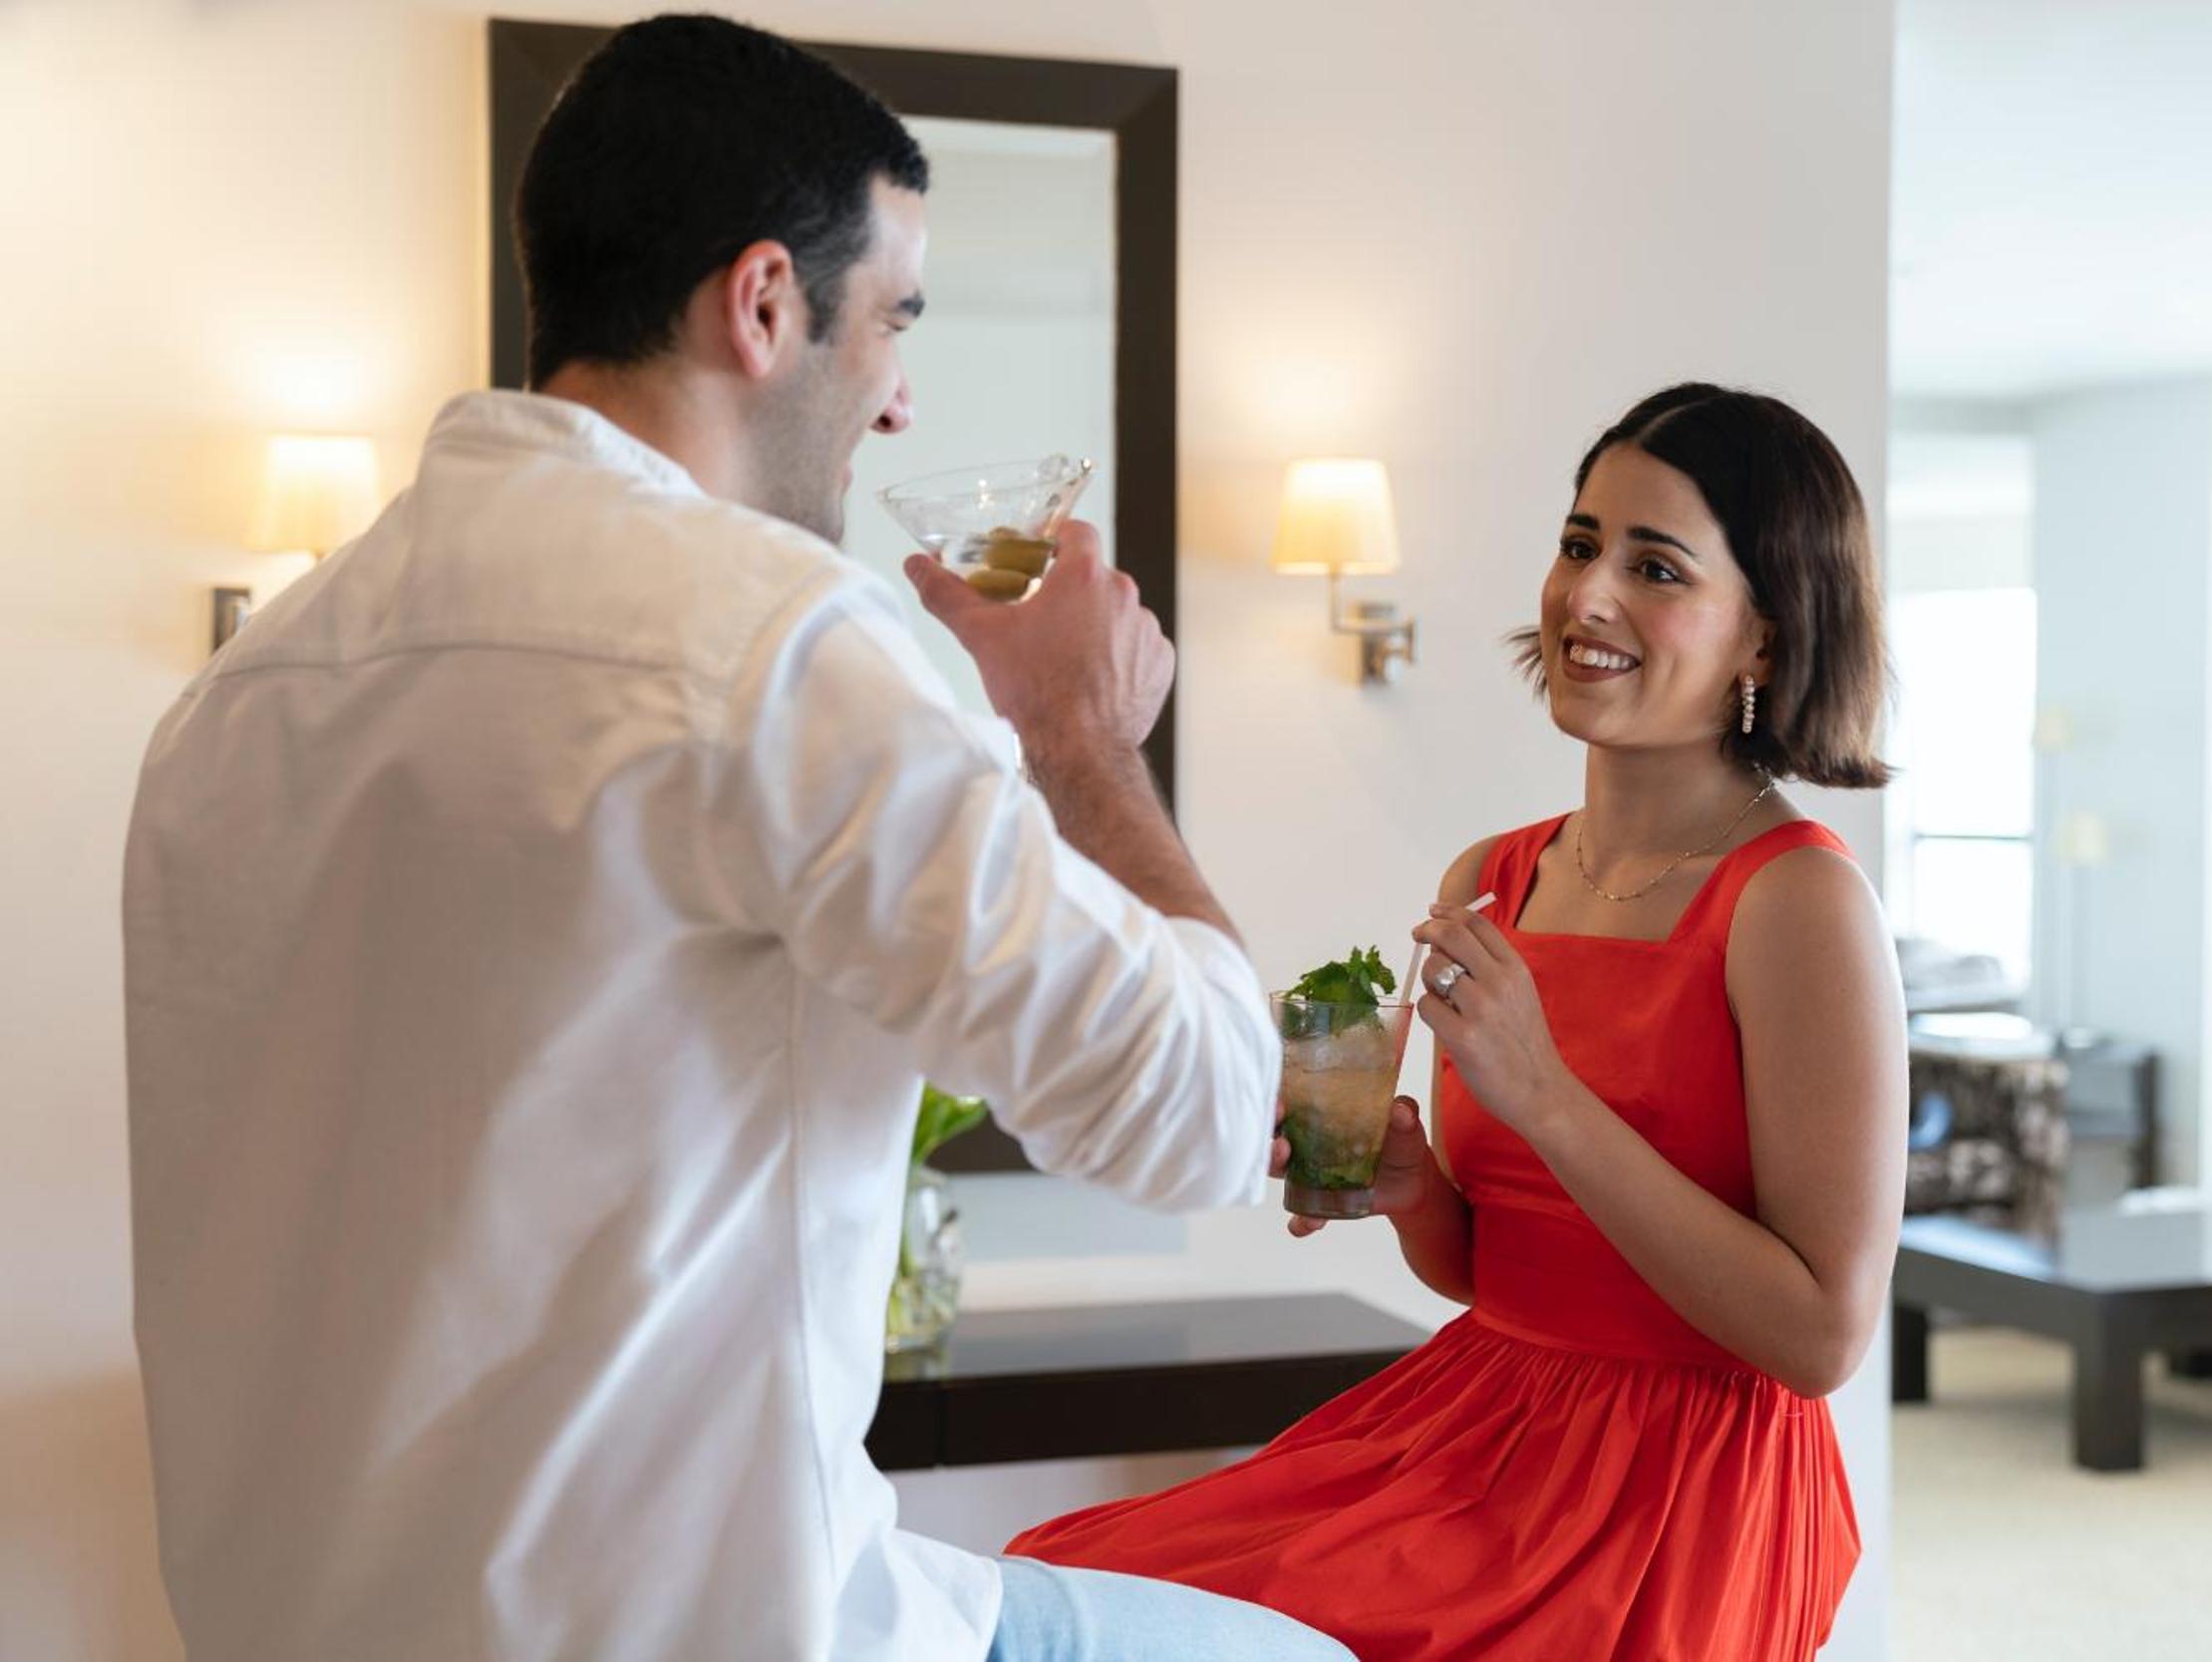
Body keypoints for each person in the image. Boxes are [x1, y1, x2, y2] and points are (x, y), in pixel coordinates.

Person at [123, 16, 1349, 1662]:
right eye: (893, 319)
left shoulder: (244, 692)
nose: (899, 403)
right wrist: (1082, 741)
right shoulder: (776, 642)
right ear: (765, 302)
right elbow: (1198, 1115)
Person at [1010, 383, 1909, 1661]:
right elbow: (1503, 1276)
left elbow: (1820, 1335)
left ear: (1764, 638)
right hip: (1483, 1419)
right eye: (1581, 542)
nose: (1587, 595)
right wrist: (1417, 1192)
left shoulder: (1799, 901)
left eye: (1654, 566)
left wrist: (1545, 1093)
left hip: (1676, 1492)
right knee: (1056, 1588)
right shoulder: (1493, 876)